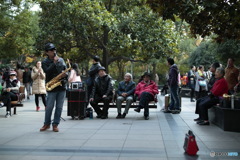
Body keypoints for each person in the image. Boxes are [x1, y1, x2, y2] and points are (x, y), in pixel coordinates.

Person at [39, 43, 68, 132]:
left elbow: (65, 70)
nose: (53, 51)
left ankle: (55, 124)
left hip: (61, 86)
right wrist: (54, 63)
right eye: (51, 50)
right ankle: (46, 124)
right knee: (49, 106)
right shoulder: (44, 62)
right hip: (52, 86)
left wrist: (65, 74)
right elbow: (47, 71)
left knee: (59, 107)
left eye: (54, 50)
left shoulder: (61, 60)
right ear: (47, 52)